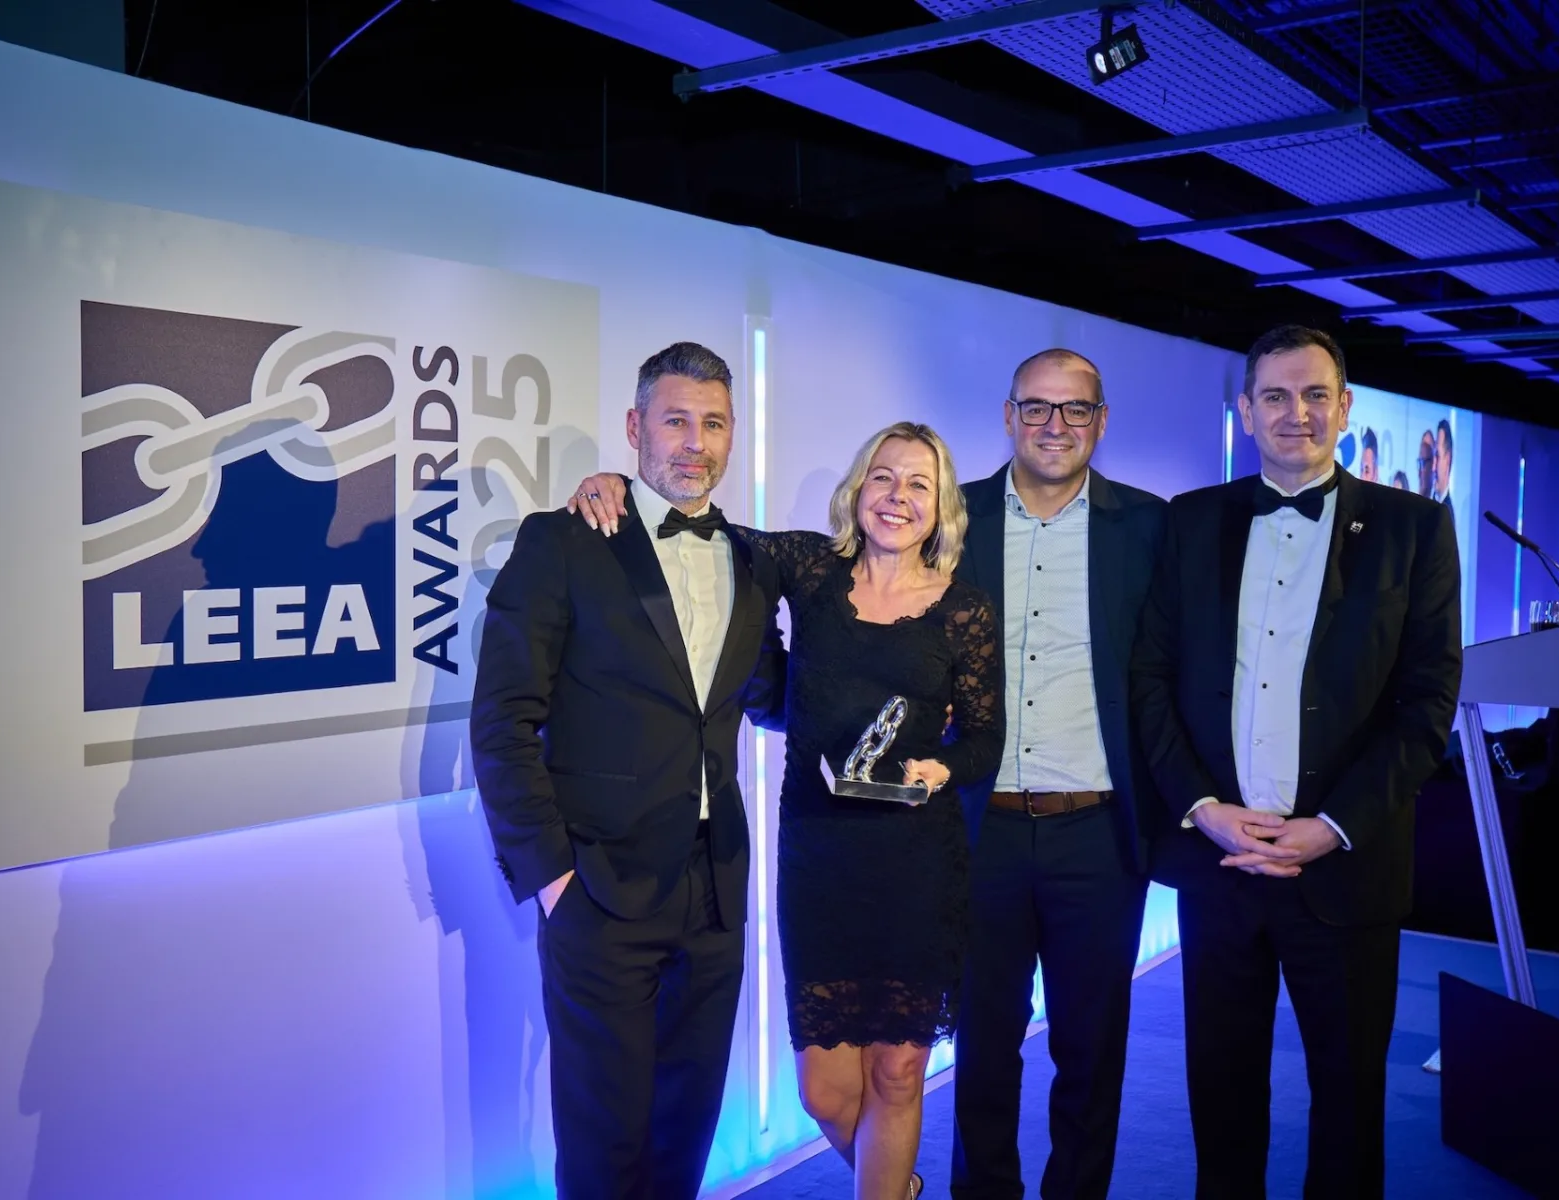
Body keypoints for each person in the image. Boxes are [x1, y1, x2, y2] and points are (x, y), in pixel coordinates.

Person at [568, 422, 1006, 1200]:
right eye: (883, 477)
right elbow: (705, 530)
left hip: (917, 868)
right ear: (857, 489)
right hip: (819, 864)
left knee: (898, 1072)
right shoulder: (809, 569)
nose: (897, 497)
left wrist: (943, 766)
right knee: (825, 1094)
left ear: (942, 508)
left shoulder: (964, 610)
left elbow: (983, 739)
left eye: (919, 485)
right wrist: (619, 490)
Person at [1130, 325, 1463, 1199]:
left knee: (1349, 1105)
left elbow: (1428, 705)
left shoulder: (1415, 528)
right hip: (1219, 863)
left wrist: (1333, 827)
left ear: (1344, 407)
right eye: (1275, 395)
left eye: (1315, 394)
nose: (1296, 413)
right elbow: (1150, 679)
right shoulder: (1189, 520)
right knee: (1221, 1100)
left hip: (1346, 869)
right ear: (1245, 411)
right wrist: (1201, 807)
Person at [470, 342, 787, 1199]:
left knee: (686, 1139)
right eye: (675, 421)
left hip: (716, 892)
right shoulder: (565, 542)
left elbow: (772, 696)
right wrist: (553, 879)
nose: (695, 443)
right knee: (603, 1150)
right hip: (599, 890)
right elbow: (502, 721)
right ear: (634, 427)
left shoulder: (752, 559)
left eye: (713, 423)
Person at [948, 348, 1166, 1200]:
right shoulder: (951, 517)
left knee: (1092, 1050)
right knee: (981, 1046)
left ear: (1101, 422)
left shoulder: (1148, 527)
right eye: (1036, 407)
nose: (1054, 425)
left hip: (1098, 835)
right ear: (1008, 416)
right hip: (980, 829)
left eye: (1075, 409)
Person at [1432, 419, 1456, 512]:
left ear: (1448, 460)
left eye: (1438, 456)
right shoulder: (1427, 503)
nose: (1433, 467)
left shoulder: (1448, 515)